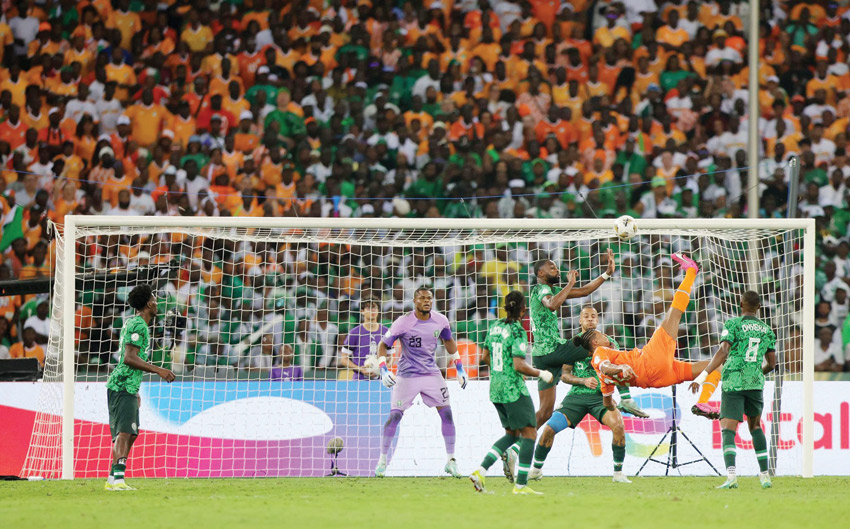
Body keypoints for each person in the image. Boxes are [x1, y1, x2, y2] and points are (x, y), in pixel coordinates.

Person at [529, 249, 645, 428]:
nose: (557, 270)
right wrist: (570, 283)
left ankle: (519, 441)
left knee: (545, 412)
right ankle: (626, 398)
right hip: (552, 349)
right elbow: (552, 305)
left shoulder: (552, 291)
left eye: (557, 267)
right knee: (605, 346)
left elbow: (584, 291)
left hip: (541, 357)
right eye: (552, 268)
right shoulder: (541, 289)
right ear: (540, 273)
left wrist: (606, 274)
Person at [580, 254, 714, 404]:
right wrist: (621, 368)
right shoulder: (599, 352)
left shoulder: (602, 379)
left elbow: (607, 402)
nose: (605, 336)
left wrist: (621, 406)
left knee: (714, 366)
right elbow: (605, 366)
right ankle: (691, 271)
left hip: (660, 379)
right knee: (674, 313)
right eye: (600, 334)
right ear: (595, 342)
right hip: (651, 363)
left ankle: (703, 404)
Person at [528, 305, 630, 483]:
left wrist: (622, 396)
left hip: (600, 397)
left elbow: (617, 371)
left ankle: (618, 474)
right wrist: (583, 381)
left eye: (593, 316)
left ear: (597, 320)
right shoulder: (572, 344)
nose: (590, 319)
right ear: (580, 320)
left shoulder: (609, 343)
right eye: (586, 316)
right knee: (549, 429)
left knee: (619, 426)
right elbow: (565, 375)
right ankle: (536, 470)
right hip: (576, 396)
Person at [374, 286, 467, 478]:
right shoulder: (403, 322)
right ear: (415, 301)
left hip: (431, 374)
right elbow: (383, 345)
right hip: (407, 376)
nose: (426, 301)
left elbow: (449, 341)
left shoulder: (440, 320)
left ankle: (451, 461)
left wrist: (459, 368)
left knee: (447, 414)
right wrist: (383, 370)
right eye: (422, 298)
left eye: (429, 298)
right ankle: (382, 460)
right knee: (394, 416)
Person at [689, 291, 777, 489]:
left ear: (741, 304)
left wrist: (702, 376)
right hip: (755, 383)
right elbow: (772, 364)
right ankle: (765, 476)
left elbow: (723, 351)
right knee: (755, 427)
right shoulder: (767, 330)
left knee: (728, 428)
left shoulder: (733, 324)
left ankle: (731, 477)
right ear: (759, 307)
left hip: (734, 381)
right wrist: (757, 373)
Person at [469, 291, 552, 495]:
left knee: (512, 434)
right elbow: (519, 365)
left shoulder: (495, 326)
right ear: (524, 309)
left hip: (495, 388)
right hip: (513, 389)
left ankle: (480, 471)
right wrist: (541, 373)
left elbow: (484, 356)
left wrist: (500, 371)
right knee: (530, 432)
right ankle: (521, 485)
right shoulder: (517, 331)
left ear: (505, 307)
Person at [104, 284, 175, 491]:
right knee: (125, 433)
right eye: (154, 299)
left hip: (128, 386)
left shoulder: (136, 323)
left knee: (131, 433)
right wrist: (159, 370)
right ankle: (118, 481)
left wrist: (135, 391)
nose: (157, 303)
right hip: (122, 384)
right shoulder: (138, 325)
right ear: (148, 303)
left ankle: (112, 479)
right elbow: (128, 358)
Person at [339, 299, 388, 380]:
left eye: (374, 308)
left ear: (378, 311)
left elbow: (391, 357)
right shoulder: (354, 332)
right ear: (362, 311)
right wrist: (360, 369)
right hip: (360, 380)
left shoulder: (385, 332)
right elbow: (344, 359)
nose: (372, 310)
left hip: (381, 381)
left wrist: (382, 369)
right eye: (368, 308)